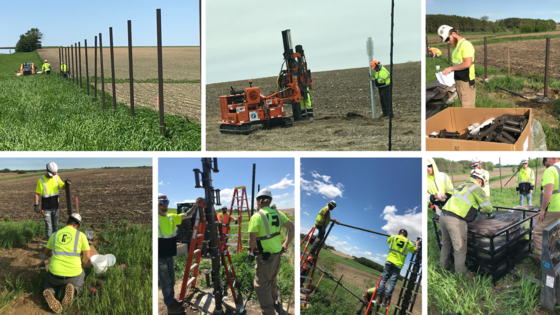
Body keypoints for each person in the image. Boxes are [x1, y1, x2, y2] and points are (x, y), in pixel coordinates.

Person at [440, 169, 493, 278]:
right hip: (456, 220)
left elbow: (464, 202)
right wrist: (490, 212)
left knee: (446, 244)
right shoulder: (476, 188)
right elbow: (487, 206)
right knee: (460, 249)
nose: (481, 185)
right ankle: (461, 275)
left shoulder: (461, 185)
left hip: (443, 216)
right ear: (479, 180)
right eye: (482, 183)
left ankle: (443, 267)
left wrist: (477, 208)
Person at [248, 189, 294, 315]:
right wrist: (285, 244)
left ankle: (268, 312)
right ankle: (273, 302)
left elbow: (251, 241)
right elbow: (292, 228)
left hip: (265, 257)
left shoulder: (256, 216)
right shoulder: (279, 214)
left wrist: (252, 251)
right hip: (277, 254)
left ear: (258, 201)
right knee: (272, 279)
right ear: (270, 201)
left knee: (261, 285)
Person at [158, 194, 202, 314]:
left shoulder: (171, 217)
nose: (165, 204)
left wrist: (195, 205)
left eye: (166, 202)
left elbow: (187, 215)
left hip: (169, 255)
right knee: (166, 282)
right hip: (160, 257)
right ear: (157, 204)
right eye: (162, 202)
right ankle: (170, 306)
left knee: (171, 280)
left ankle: (171, 300)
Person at [43, 213, 90, 313]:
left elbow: (46, 252)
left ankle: (50, 292)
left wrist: (56, 254)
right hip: (73, 275)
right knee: (81, 275)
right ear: (77, 225)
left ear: (67, 222)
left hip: (55, 275)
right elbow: (87, 256)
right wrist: (82, 263)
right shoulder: (81, 235)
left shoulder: (55, 235)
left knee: (49, 283)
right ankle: (74, 289)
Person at [372, 230, 419, 309]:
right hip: (398, 264)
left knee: (384, 278)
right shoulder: (408, 242)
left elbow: (388, 241)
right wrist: (417, 244)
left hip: (389, 260)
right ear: (406, 235)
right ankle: (385, 300)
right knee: (392, 282)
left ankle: (378, 297)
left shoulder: (393, 237)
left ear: (399, 233)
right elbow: (415, 251)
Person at [439, 25, 476, 108]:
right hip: (459, 81)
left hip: (466, 82)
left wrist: (450, 68)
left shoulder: (465, 45)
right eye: (446, 41)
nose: (448, 42)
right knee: (464, 107)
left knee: (468, 109)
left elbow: (467, 64)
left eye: (448, 39)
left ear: (454, 34)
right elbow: (457, 65)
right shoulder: (456, 48)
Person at [532, 158, 560, 265]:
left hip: (553, 208)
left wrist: (542, 210)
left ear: (548, 159)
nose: (546, 166)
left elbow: (548, 194)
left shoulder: (551, 170)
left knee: (537, 232)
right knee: (554, 231)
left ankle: (546, 262)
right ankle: (554, 253)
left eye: (545, 164)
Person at [35, 162, 66, 242]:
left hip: (56, 207)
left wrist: (67, 184)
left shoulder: (56, 177)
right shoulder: (41, 181)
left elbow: (63, 186)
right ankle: (50, 246)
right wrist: (36, 205)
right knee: (49, 228)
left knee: (55, 226)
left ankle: (56, 243)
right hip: (46, 209)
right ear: (47, 170)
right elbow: (37, 193)